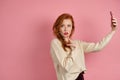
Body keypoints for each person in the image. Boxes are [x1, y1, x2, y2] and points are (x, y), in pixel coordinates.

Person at [50, 11, 117, 80]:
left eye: (69, 26)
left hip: (80, 77)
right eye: (62, 25)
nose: (66, 29)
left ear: (72, 28)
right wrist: (74, 51)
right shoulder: (56, 43)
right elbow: (66, 67)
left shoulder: (78, 43)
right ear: (58, 28)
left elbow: (98, 46)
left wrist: (113, 31)